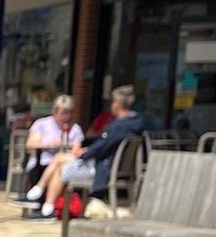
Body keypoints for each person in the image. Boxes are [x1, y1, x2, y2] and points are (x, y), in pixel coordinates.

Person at [37, 85, 145, 220]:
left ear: (117, 104)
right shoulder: (136, 123)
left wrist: (83, 154)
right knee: (60, 159)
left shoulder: (118, 126)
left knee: (60, 169)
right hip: (115, 167)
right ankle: (40, 195)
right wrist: (87, 151)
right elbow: (104, 146)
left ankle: (47, 208)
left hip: (103, 169)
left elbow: (101, 148)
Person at [11, 94, 82, 207]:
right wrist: (50, 144)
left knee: (60, 165)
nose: (64, 117)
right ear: (54, 111)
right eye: (62, 113)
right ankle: (45, 204)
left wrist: (68, 145)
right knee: (52, 166)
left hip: (63, 164)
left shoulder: (75, 129)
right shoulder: (42, 124)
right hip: (42, 161)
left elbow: (76, 151)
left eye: (67, 113)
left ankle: (39, 194)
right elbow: (31, 145)